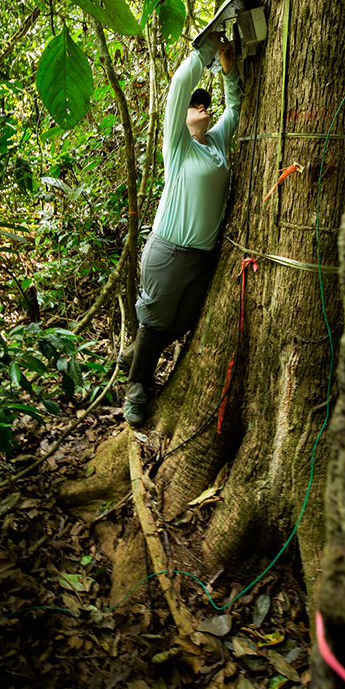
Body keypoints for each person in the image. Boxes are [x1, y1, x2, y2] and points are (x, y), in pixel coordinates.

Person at [120, 33, 240, 427]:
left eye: (205, 104)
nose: (201, 107)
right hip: (168, 251)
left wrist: (228, 67)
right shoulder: (178, 146)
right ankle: (137, 390)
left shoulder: (217, 143)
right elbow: (178, 87)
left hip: (203, 258)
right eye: (195, 105)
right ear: (184, 115)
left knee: (185, 320)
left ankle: (136, 352)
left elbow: (236, 106)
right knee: (155, 323)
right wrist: (206, 51)